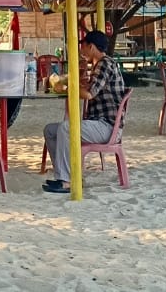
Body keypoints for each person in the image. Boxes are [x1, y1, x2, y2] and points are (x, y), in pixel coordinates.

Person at [42, 30, 126, 195]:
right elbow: (89, 88)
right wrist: (80, 78)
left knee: (66, 128)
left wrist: (67, 86)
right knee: (50, 130)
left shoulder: (104, 64)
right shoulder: (98, 65)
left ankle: (66, 181)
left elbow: (89, 94)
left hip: (107, 127)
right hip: (98, 123)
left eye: (83, 46)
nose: (81, 50)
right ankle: (67, 175)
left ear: (91, 46)